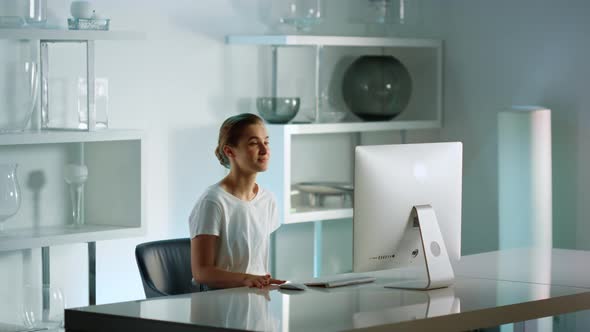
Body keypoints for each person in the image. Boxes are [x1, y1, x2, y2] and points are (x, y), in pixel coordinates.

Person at [189, 113, 285, 290]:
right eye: (254, 143)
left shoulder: (268, 200)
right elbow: (201, 272)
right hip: (220, 305)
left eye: (266, 142)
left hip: (256, 299)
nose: (265, 150)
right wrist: (245, 279)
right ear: (230, 151)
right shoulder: (213, 201)